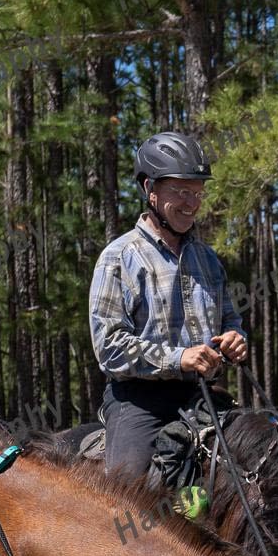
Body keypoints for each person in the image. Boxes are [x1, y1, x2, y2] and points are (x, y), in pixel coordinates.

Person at [88, 130, 249, 484]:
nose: (192, 203)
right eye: (181, 192)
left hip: (202, 395)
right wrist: (178, 358)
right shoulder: (119, 257)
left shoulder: (208, 259)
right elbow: (109, 347)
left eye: (198, 193)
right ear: (150, 189)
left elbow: (230, 320)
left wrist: (235, 339)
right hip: (140, 403)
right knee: (130, 497)